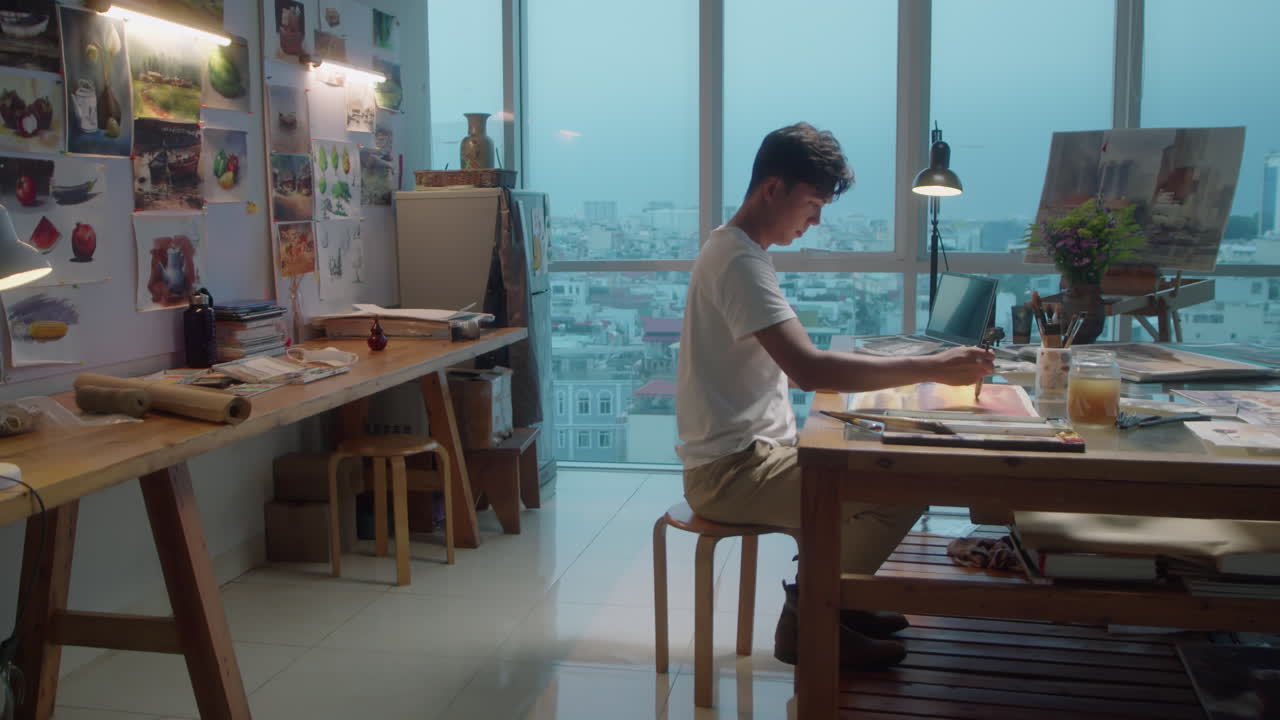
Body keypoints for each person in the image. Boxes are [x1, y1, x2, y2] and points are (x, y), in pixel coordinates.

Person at [674, 122, 994, 669]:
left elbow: (800, 360)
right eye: (813, 202)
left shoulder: (738, 250)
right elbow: (807, 368)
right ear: (772, 188)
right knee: (908, 477)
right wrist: (931, 367)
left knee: (887, 460)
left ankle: (838, 597)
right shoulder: (739, 260)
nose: (817, 219)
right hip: (731, 474)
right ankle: (814, 614)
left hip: (752, 457)